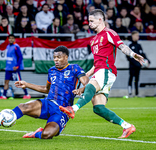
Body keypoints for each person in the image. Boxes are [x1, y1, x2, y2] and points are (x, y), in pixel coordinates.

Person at [59, 9, 144, 139]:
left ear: (100, 20)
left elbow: (122, 46)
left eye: (92, 21)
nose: (89, 23)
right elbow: (96, 63)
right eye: (89, 21)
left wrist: (133, 54)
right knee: (98, 108)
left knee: (91, 87)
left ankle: (73, 108)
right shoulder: (93, 41)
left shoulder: (109, 33)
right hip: (99, 70)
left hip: (107, 71)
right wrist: (86, 74)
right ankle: (127, 126)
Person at [0, 45, 89, 139]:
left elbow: (87, 84)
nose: (56, 59)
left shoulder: (75, 68)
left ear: (66, 57)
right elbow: (46, 89)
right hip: (48, 103)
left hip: (62, 110)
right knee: (23, 106)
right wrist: (27, 84)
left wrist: (81, 90)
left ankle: (37, 133)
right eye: (54, 57)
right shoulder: (52, 71)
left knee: (47, 135)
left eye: (59, 57)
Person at [0, 34, 31, 100]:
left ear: (14, 39)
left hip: (14, 68)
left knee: (20, 82)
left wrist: (17, 66)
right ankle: (4, 96)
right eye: (10, 38)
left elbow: (20, 57)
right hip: (8, 68)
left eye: (12, 38)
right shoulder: (7, 46)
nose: (11, 39)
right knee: (6, 81)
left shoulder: (16, 47)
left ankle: (27, 94)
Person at [127, 31, 150, 97]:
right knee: (131, 78)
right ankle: (130, 93)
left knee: (136, 79)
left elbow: (142, 54)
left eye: (138, 36)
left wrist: (148, 61)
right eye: (136, 35)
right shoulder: (130, 45)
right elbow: (128, 57)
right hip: (132, 66)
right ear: (133, 36)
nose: (138, 37)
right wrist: (135, 63)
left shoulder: (139, 45)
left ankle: (136, 93)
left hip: (138, 66)